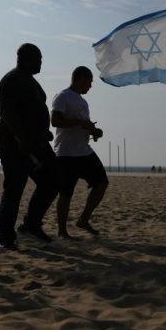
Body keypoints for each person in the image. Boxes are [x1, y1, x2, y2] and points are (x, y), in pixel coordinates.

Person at [0, 43, 58, 250]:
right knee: (15, 186)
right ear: (23, 58)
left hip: (36, 143)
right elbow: (5, 111)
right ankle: (5, 236)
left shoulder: (32, 82)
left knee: (53, 178)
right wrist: (22, 138)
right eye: (37, 59)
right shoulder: (11, 79)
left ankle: (31, 224)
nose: (41, 63)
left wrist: (42, 132)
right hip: (14, 143)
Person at [51, 66, 109, 239]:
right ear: (80, 79)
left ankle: (83, 219)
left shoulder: (83, 102)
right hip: (66, 153)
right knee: (66, 193)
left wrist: (94, 131)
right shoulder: (62, 96)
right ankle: (62, 231)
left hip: (84, 151)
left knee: (102, 183)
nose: (90, 86)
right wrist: (80, 124)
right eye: (89, 82)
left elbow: (86, 123)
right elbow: (55, 121)